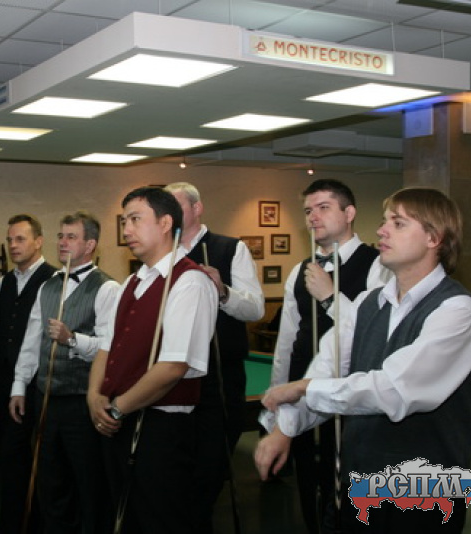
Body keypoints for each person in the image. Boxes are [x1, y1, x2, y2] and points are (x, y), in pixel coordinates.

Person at [255, 187, 471, 533]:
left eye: (398, 223)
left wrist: (303, 388)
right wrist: (285, 428)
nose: (381, 230)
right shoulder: (367, 303)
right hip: (358, 482)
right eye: (384, 221)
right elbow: (328, 367)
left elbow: (394, 389)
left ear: (433, 238)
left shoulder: (459, 310)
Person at [88, 187, 218, 533]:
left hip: (161, 429)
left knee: (160, 521)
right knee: (125, 519)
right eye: (124, 221)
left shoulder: (190, 281)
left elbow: (173, 367)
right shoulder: (132, 281)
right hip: (118, 419)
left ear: (165, 223)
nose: (126, 230)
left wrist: (117, 408)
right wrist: (94, 396)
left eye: (135, 219)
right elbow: (106, 348)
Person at [270, 178, 390, 534]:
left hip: (350, 395)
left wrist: (329, 296)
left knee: (347, 486)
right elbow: (287, 339)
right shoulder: (300, 269)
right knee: (309, 481)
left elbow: (372, 331)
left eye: (323, 208)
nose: (313, 217)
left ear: (349, 213)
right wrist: (278, 396)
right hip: (302, 392)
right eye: (308, 210)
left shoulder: (378, 265)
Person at [9, 211, 119, 532]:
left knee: (87, 483)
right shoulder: (47, 286)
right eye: (61, 236)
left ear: (90, 245)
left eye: (71, 237)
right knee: (51, 483)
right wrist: (19, 386)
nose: (62, 242)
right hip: (46, 399)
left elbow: (111, 349)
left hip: (82, 402)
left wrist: (73, 339)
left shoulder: (108, 288)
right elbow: (32, 341)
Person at [165, 181, 265, 530]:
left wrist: (223, 291)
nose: (170, 215)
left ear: (197, 208)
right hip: (173, 376)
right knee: (177, 467)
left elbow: (256, 309)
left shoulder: (230, 248)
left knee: (210, 467)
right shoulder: (163, 252)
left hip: (220, 375)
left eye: (177, 206)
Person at [0, 214, 56, 534]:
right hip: (1, 384)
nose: (13, 245)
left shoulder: (54, 281)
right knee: (9, 461)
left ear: (39, 241)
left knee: (36, 462)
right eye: (10, 239)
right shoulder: (2, 283)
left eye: (20, 239)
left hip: (36, 386)